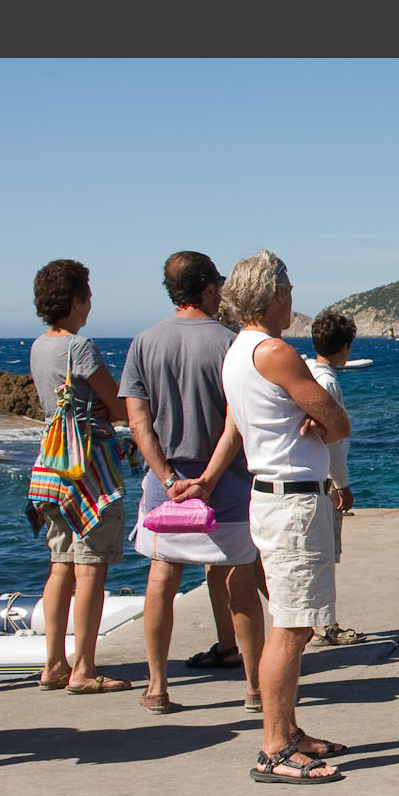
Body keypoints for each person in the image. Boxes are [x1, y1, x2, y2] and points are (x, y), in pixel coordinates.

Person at [217, 250, 352, 783]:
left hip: (273, 496)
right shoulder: (275, 352)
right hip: (294, 501)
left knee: (295, 623)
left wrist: (207, 478)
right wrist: (322, 425)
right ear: (274, 295)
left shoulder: (238, 351)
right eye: (289, 288)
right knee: (293, 627)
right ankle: (274, 747)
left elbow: (238, 425)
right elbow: (337, 421)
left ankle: (288, 731)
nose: (293, 298)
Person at [120, 251, 265, 715]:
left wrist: (168, 477)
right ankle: (255, 688)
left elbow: (138, 422)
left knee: (161, 579)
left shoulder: (144, 342)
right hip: (225, 484)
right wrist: (207, 479)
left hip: (167, 486)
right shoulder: (231, 344)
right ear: (207, 290)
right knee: (241, 583)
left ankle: (159, 686)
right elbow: (235, 423)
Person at [27, 259, 132, 696]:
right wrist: (110, 410)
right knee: (91, 571)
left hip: (50, 466)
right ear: (76, 299)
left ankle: (54, 663)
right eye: (87, 295)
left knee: (60, 567)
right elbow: (120, 405)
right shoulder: (80, 347)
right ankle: (84, 669)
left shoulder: (36, 347)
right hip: (89, 472)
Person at [306, 310, 365, 647]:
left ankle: (317, 621)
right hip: (325, 481)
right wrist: (341, 483)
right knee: (326, 554)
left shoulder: (308, 373)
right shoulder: (327, 382)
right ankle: (325, 624)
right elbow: (331, 440)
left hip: (315, 477)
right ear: (344, 347)